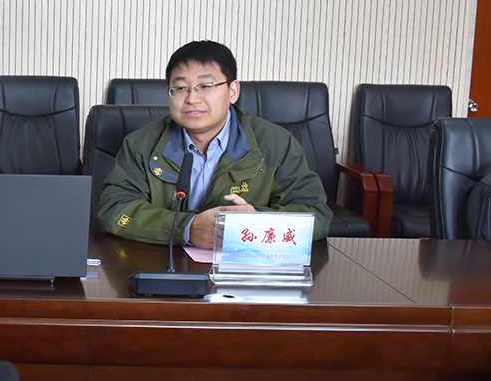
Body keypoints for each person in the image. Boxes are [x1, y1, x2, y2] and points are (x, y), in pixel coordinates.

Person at [95, 40, 331, 248]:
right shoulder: (141, 144)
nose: (192, 98)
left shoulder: (275, 144)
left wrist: (255, 221)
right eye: (180, 88)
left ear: (233, 91)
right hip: (161, 263)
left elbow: (316, 215)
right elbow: (113, 210)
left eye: (206, 86)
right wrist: (187, 228)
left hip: (244, 268)